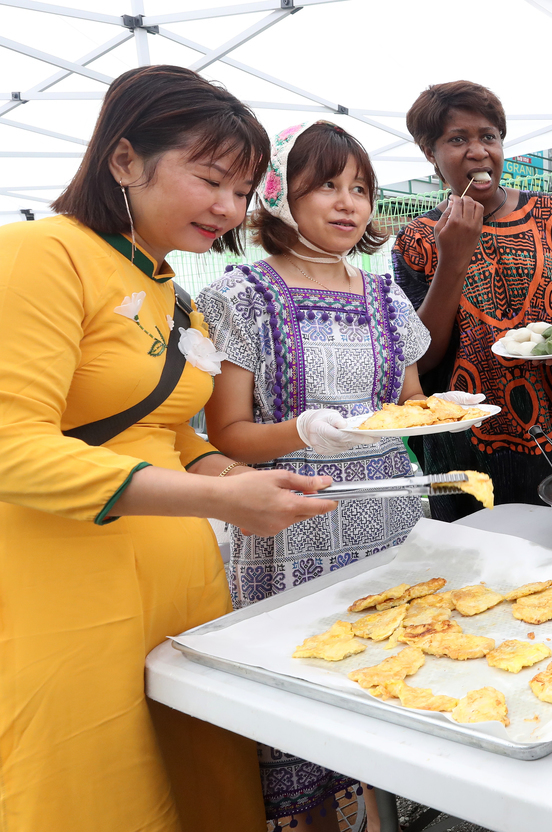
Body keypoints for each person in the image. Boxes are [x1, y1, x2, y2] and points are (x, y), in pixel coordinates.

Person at [0, 65, 337, 831]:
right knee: (99, 789)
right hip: (69, 586)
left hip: (184, 583)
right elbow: (10, 449)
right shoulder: (38, 253)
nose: (229, 207)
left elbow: (180, 440)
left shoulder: (173, 293)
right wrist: (222, 497)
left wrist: (253, 484)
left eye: (245, 189)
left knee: (205, 780)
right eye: (211, 178)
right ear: (124, 161)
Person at [199, 121, 451, 829]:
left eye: (362, 189)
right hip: (293, 524)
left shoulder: (385, 297)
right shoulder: (240, 296)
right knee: (308, 700)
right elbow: (229, 437)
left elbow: (406, 408)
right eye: (327, 186)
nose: (349, 204)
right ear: (280, 194)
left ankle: (392, 814)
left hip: (393, 522)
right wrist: (303, 430)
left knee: (400, 685)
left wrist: (445, 410)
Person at [393, 80, 552, 519]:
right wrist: (452, 260)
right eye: (457, 139)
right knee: (484, 558)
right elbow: (419, 353)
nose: (478, 152)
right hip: (470, 437)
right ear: (429, 154)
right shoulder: (418, 239)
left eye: (488, 137)